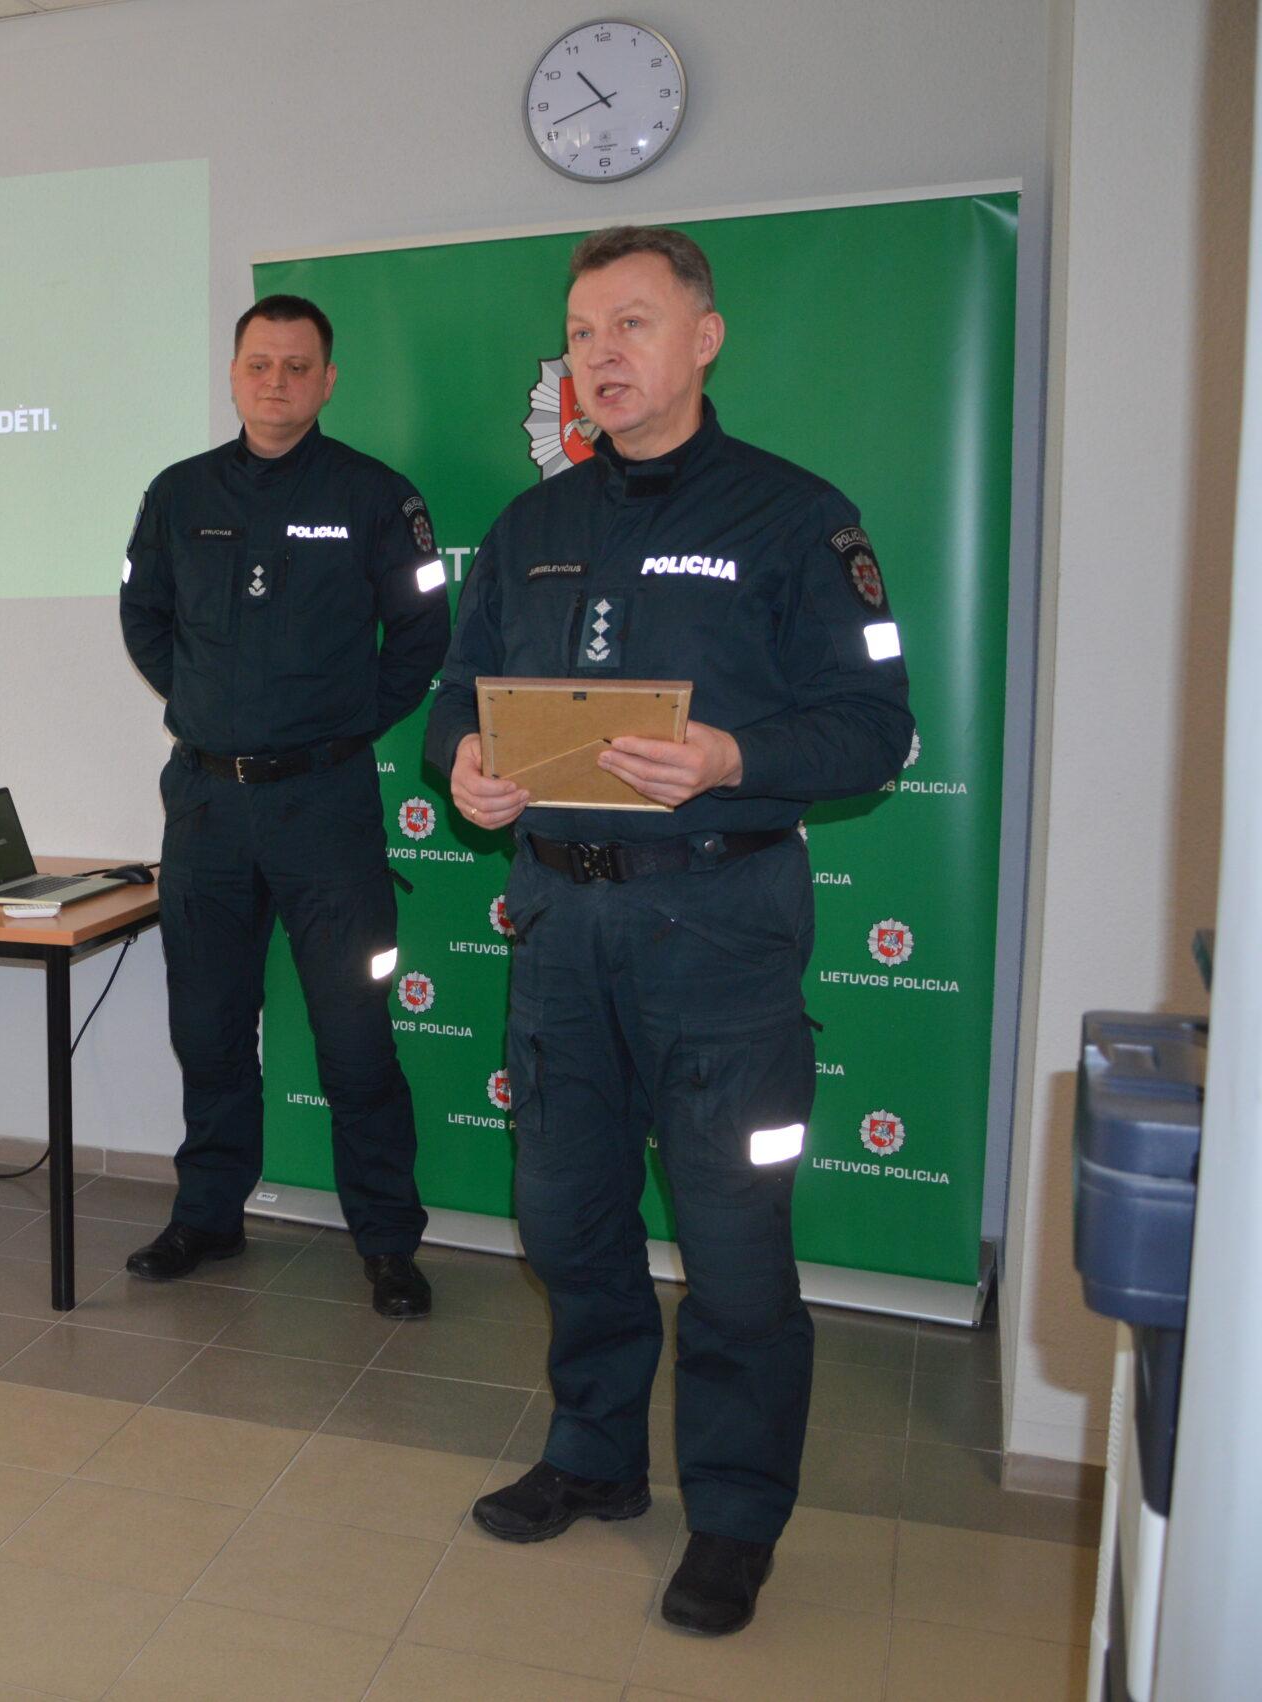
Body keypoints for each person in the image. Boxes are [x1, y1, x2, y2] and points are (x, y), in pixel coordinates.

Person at [425, 226, 913, 1635]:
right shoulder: (530, 527)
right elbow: (456, 695)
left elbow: (876, 728)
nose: (602, 355)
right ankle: (594, 1455)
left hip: (720, 932)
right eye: (582, 333)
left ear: (704, 337)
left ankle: (737, 1515)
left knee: (735, 1247)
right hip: (560, 929)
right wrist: (462, 765)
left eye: (631, 325)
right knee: (564, 1216)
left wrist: (731, 758)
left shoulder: (797, 517)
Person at [118, 295, 452, 1318]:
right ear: (233, 374)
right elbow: (144, 616)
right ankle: (209, 1215)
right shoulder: (178, 494)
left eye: (297, 366)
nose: (276, 382)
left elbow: (422, 637)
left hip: (325, 807)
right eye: (259, 364)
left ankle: (386, 1241)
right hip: (207, 807)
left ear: (327, 380)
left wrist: (341, 723)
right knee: (209, 1026)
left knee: (354, 1035)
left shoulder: (376, 496)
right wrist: (205, 707)